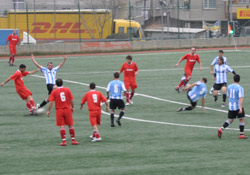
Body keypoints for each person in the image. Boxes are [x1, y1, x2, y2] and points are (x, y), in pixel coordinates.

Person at [47, 78, 79, 146]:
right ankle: (73, 140)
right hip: (67, 109)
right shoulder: (67, 89)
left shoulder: (54, 91)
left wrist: (48, 110)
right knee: (70, 125)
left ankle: (64, 141)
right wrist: (72, 107)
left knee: (62, 126)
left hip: (59, 110)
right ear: (62, 83)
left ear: (56, 84)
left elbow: (51, 102)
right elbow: (71, 100)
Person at [218, 74, 247, 139]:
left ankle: (221, 129)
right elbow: (240, 98)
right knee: (242, 119)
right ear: (239, 80)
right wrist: (240, 108)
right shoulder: (240, 88)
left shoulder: (229, 87)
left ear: (233, 79)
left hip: (231, 106)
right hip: (237, 106)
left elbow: (228, 95)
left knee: (230, 120)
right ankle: (241, 134)